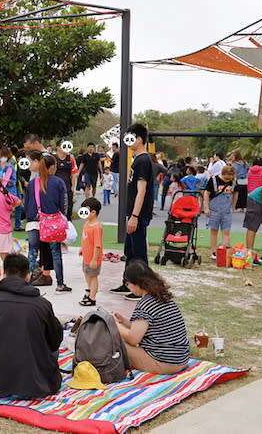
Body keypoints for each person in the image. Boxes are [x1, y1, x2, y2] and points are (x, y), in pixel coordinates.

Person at [0, 253, 63, 398]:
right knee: (54, 353)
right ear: (28, 276)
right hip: (32, 374)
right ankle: (20, 383)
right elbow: (54, 342)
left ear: (4, 274)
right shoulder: (42, 304)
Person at [112, 261, 189, 375]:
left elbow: (133, 339)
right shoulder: (162, 297)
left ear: (137, 283)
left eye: (128, 284)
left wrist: (115, 325)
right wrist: (123, 321)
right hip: (181, 359)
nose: (128, 287)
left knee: (113, 341)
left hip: (164, 363)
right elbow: (148, 328)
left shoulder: (145, 305)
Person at [111, 124, 153, 300]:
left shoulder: (143, 160)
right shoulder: (137, 159)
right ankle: (128, 282)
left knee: (138, 252)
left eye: (130, 137)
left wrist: (135, 216)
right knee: (129, 250)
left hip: (139, 215)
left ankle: (143, 288)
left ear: (139, 139)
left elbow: (141, 191)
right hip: (133, 214)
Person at [23, 155, 70, 293]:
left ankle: (28, 283)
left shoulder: (32, 183)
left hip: (33, 222)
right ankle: (60, 284)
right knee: (55, 253)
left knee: (32, 253)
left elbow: (27, 204)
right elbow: (64, 205)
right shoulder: (58, 182)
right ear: (51, 167)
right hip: (51, 223)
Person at [204, 165, 236, 257]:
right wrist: (206, 207)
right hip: (214, 210)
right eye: (226, 178)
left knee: (226, 231)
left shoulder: (233, 182)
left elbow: (236, 193)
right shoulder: (213, 180)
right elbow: (206, 193)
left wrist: (233, 207)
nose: (227, 180)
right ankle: (214, 251)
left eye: (229, 179)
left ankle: (225, 251)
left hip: (227, 211)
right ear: (222, 173)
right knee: (214, 231)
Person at [0, 147, 23, 230]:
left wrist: (3, 180)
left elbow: (13, 181)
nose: (3, 157)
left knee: (12, 208)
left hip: (9, 192)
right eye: (1, 155)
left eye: (4, 155)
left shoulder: (10, 167)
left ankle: (15, 225)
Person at [79, 197, 103, 306]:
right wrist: (82, 249)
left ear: (93, 212)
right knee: (86, 272)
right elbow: (85, 238)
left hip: (93, 258)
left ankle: (92, 297)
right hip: (86, 256)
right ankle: (89, 290)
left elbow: (97, 246)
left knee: (93, 277)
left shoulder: (97, 228)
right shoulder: (87, 223)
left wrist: (94, 260)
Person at [54, 140, 77, 220]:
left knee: (69, 207)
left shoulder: (70, 158)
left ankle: (68, 223)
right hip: (55, 187)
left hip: (68, 187)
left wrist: (73, 187)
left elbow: (74, 174)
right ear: (58, 147)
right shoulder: (53, 158)